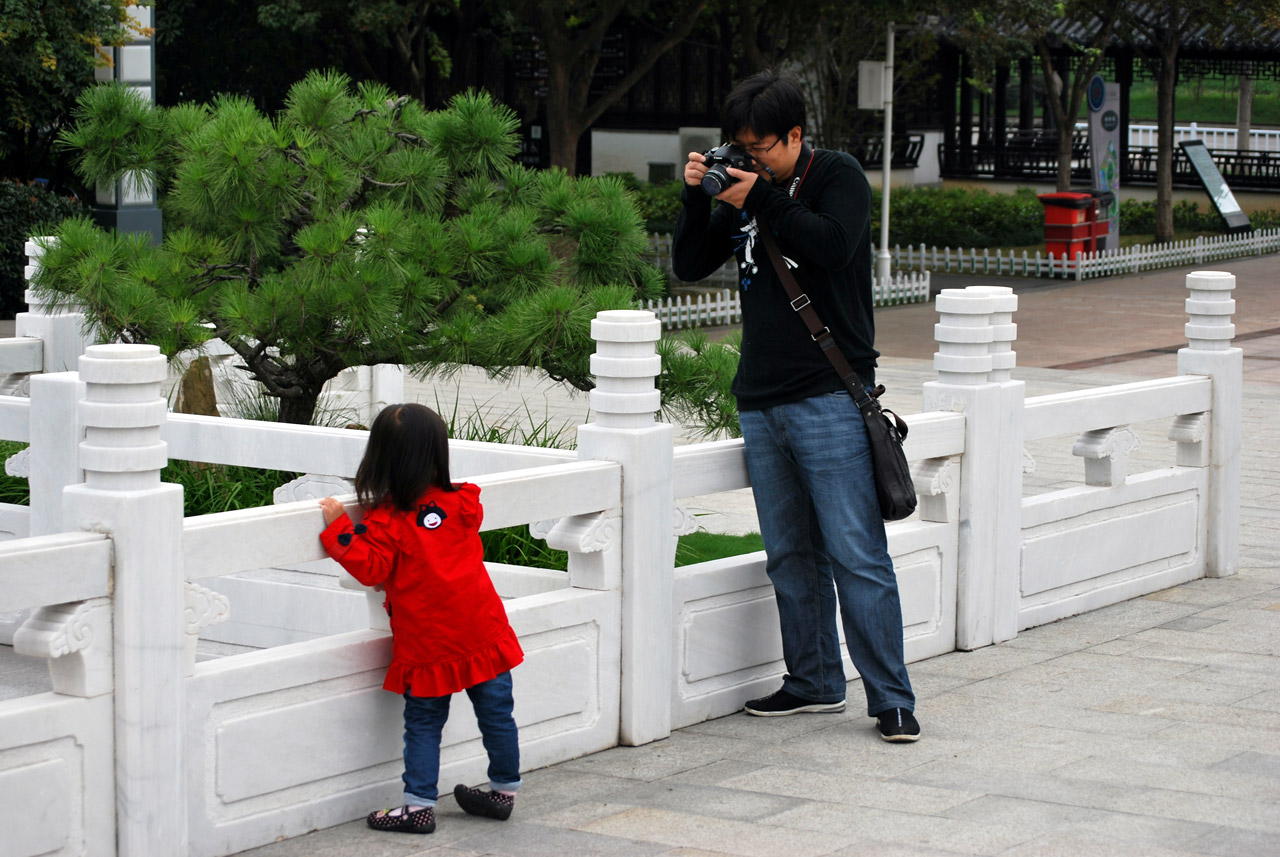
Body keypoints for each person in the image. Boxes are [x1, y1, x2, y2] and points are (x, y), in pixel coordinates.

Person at [671, 70, 920, 743]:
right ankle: (812, 681)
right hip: (761, 401)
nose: (750, 159)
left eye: (762, 148)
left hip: (829, 395)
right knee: (789, 554)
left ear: (795, 136)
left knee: (856, 552)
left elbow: (831, 245)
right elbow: (690, 264)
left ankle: (893, 698)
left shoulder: (835, 176)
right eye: (738, 148)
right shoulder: (743, 190)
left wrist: (763, 199)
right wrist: (700, 198)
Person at [319, 403, 526, 834]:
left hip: (429, 643)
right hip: (483, 631)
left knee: (425, 722)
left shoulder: (388, 521)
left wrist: (341, 527)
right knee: (497, 715)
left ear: (381, 458)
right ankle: (503, 792)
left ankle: (418, 807)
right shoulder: (461, 502)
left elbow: (372, 569)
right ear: (436, 453)